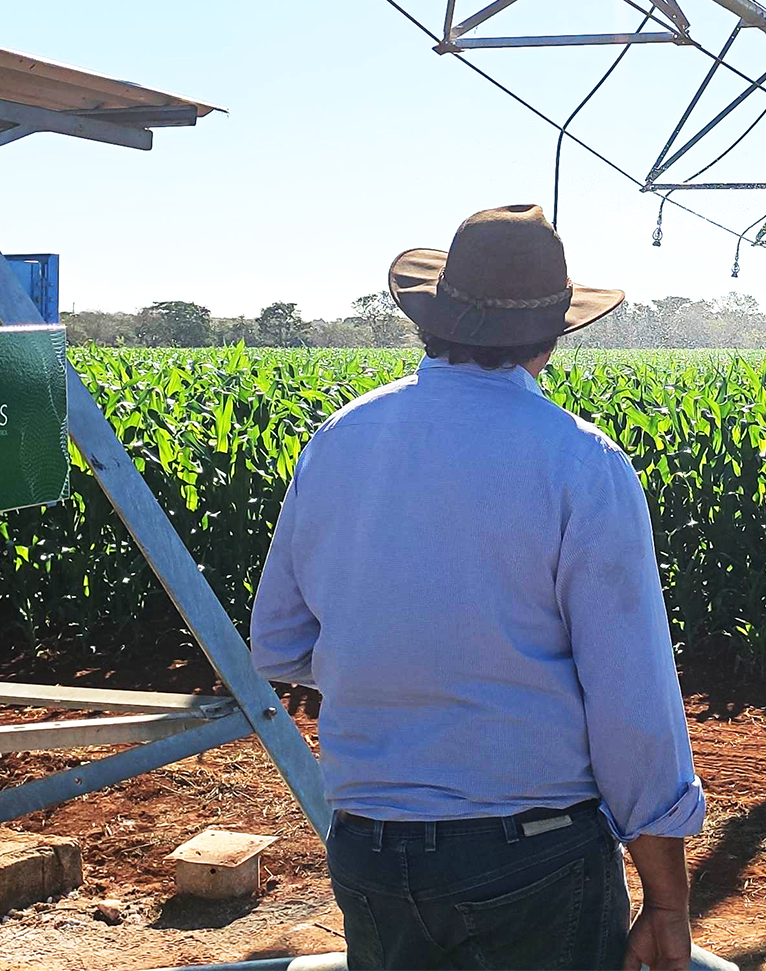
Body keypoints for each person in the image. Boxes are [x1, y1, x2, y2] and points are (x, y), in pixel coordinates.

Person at [250, 204, 706, 971]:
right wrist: (666, 899)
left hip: (370, 850)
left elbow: (280, 642)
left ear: (434, 316)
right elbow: (633, 710)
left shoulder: (339, 441)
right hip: (529, 860)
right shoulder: (582, 464)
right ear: (553, 334)